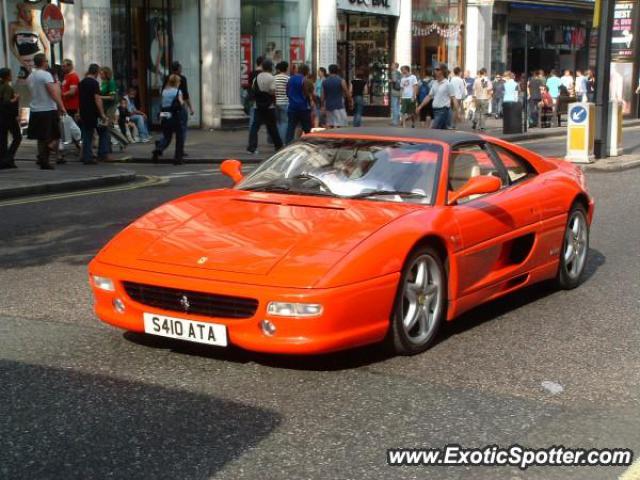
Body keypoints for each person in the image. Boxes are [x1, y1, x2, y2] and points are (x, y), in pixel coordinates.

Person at [27, 53, 66, 169]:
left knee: (41, 137)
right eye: (46, 61)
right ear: (44, 62)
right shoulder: (46, 75)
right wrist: (61, 106)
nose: (47, 63)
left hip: (35, 109)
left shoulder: (30, 76)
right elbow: (52, 92)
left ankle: (42, 159)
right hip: (48, 109)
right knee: (55, 135)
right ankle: (47, 151)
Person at [247, 59, 282, 153]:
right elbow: (273, 90)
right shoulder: (271, 78)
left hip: (257, 105)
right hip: (269, 106)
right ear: (271, 67)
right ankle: (278, 146)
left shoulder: (257, 77)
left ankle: (252, 147)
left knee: (255, 126)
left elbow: (253, 89)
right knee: (272, 126)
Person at [79, 63, 109, 164]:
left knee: (87, 135)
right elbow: (97, 99)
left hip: (84, 112)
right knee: (103, 131)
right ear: (96, 72)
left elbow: (80, 99)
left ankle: (86, 156)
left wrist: (79, 111)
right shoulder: (94, 83)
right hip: (94, 113)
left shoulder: (82, 82)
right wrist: (102, 114)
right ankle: (102, 154)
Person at [152, 74, 185, 164]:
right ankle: (177, 159)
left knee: (167, 135)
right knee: (179, 137)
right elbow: (181, 103)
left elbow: (162, 104)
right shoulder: (178, 92)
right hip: (174, 115)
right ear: (177, 82)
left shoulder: (164, 92)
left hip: (165, 114)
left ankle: (158, 148)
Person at [164, 61, 194, 152]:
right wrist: (190, 108)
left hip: (166, 109)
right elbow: (185, 95)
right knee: (181, 129)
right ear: (178, 69)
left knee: (167, 130)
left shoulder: (167, 79)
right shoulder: (182, 80)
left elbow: (162, 94)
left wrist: (161, 114)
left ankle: (160, 146)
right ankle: (180, 150)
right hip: (178, 110)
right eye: (180, 68)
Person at [417, 64, 456, 130]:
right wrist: (420, 106)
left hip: (443, 110)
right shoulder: (435, 83)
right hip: (435, 111)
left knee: (433, 130)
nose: (435, 71)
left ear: (443, 71)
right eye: (435, 69)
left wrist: (457, 112)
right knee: (443, 131)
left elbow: (453, 98)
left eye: (437, 69)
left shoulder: (448, 84)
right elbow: (429, 96)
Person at [285, 64, 314, 144]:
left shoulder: (290, 79)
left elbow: (287, 92)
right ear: (306, 71)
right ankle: (310, 143)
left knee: (290, 127)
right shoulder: (305, 80)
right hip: (303, 107)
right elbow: (308, 93)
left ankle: (288, 144)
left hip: (292, 107)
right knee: (307, 128)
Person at [0, 68, 21, 169]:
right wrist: (15, 98)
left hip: (2, 116)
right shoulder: (7, 87)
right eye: (10, 74)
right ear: (7, 76)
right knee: (17, 137)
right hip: (8, 117)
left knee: (3, 138)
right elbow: (6, 102)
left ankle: (4, 160)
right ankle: (8, 158)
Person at [322, 64, 351, 129]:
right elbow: (346, 92)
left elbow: (323, 96)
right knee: (340, 125)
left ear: (329, 71)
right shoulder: (341, 80)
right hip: (339, 105)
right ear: (337, 71)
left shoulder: (324, 82)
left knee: (330, 125)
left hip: (329, 106)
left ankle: (331, 137)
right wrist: (350, 101)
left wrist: (322, 105)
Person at [274, 61, 290, 143]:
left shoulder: (274, 78)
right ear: (286, 68)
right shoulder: (288, 78)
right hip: (285, 102)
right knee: (284, 122)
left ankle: (276, 140)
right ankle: (282, 140)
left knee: (277, 122)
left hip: (276, 102)